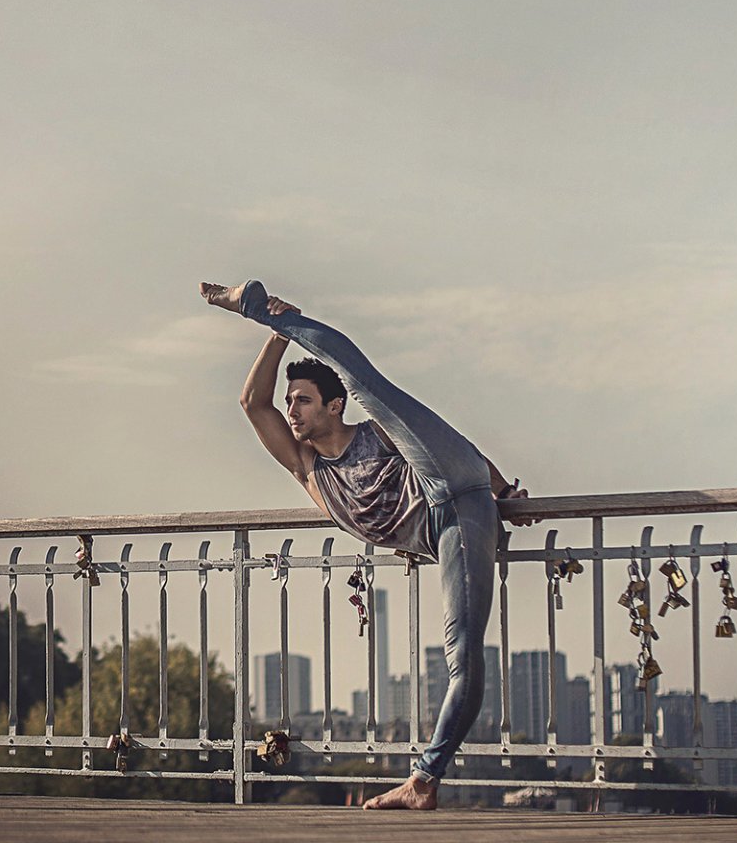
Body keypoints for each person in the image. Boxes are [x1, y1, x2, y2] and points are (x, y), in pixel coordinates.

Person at [200, 278, 531, 811]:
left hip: (456, 486)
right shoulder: (308, 470)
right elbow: (250, 402)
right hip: (453, 530)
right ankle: (423, 782)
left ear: (334, 407)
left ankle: (257, 305)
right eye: (290, 402)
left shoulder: (376, 430)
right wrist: (276, 341)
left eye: (303, 401)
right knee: (462, 656)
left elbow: (452, 450)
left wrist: (504, 492)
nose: (292, 411)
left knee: (371, 386)